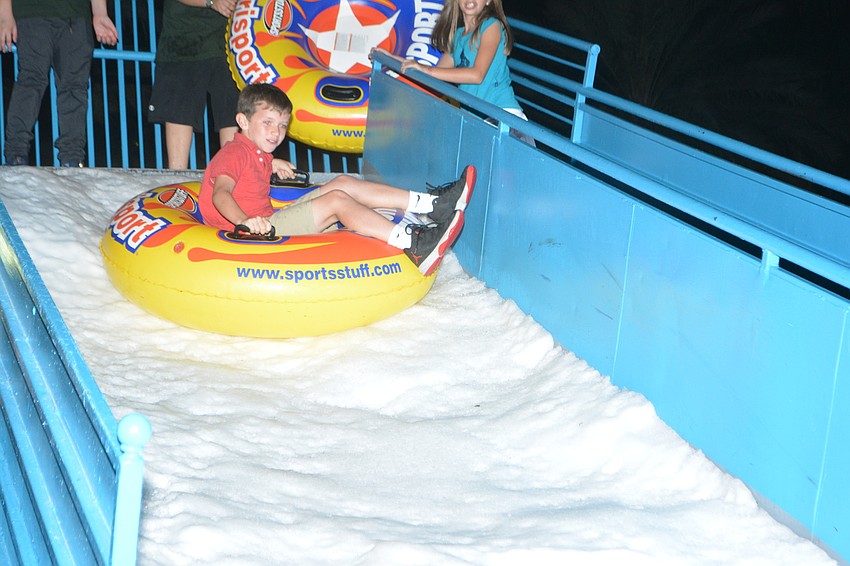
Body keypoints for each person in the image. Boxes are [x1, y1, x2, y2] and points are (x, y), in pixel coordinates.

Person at [199, 83, 477, 276]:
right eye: (268, 123)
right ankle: (413, 245)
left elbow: (252, 165)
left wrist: (273, 162)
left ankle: (433, 204)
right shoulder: (233, 152)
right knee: (336, 201)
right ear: (243, 121)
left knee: (342, 182)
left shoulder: (254, 151)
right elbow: (221, 193)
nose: (276, 132)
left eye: (283, 125)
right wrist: (245, 222)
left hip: (269, 219)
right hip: (257, 233)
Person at [377, 0, 533, 145]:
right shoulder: (458, 36)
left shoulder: (491, 26)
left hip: (504, 118)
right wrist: (393, 59)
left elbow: (477, 75)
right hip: (479, 120)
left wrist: (427, 69)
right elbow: (433, 78)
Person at [0, 0, 118, 167]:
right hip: (32, 12)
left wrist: (100, 13)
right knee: (32, 80)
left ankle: (73, 158)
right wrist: (4, 13)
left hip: (76, 16)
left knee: (75, 86)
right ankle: (16, 153)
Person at [147, 0, 239, 169]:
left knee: (233, 113)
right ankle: (176, 179)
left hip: (229, 41)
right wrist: (211, 2)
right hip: (183, 41)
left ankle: (233, 177)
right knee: (180, 114)